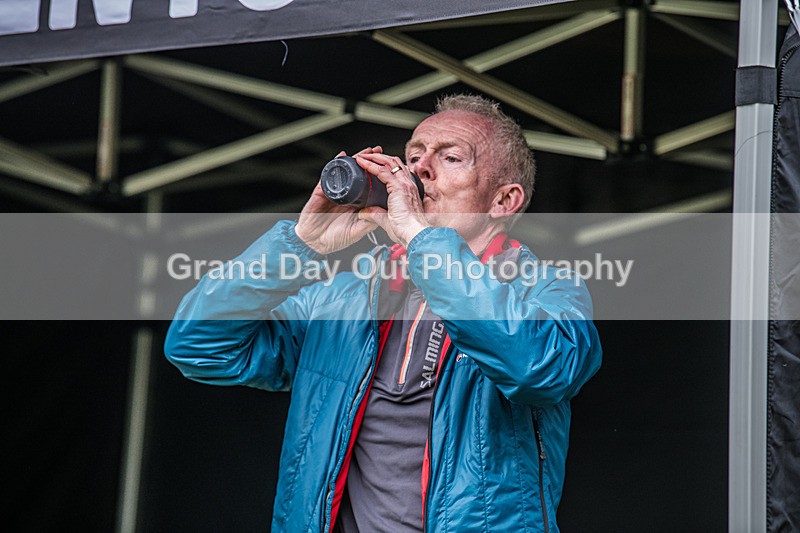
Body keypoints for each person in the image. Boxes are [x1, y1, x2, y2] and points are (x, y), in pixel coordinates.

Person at [165, 94, 602, 533]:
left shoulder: (546, 290)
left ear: (503, 201)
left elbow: (538, 369)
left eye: (450, 157)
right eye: (414, 155)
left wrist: (420, 240)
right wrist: (300, 244)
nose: (420, 169)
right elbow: (198, 346)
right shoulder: (340, 301)